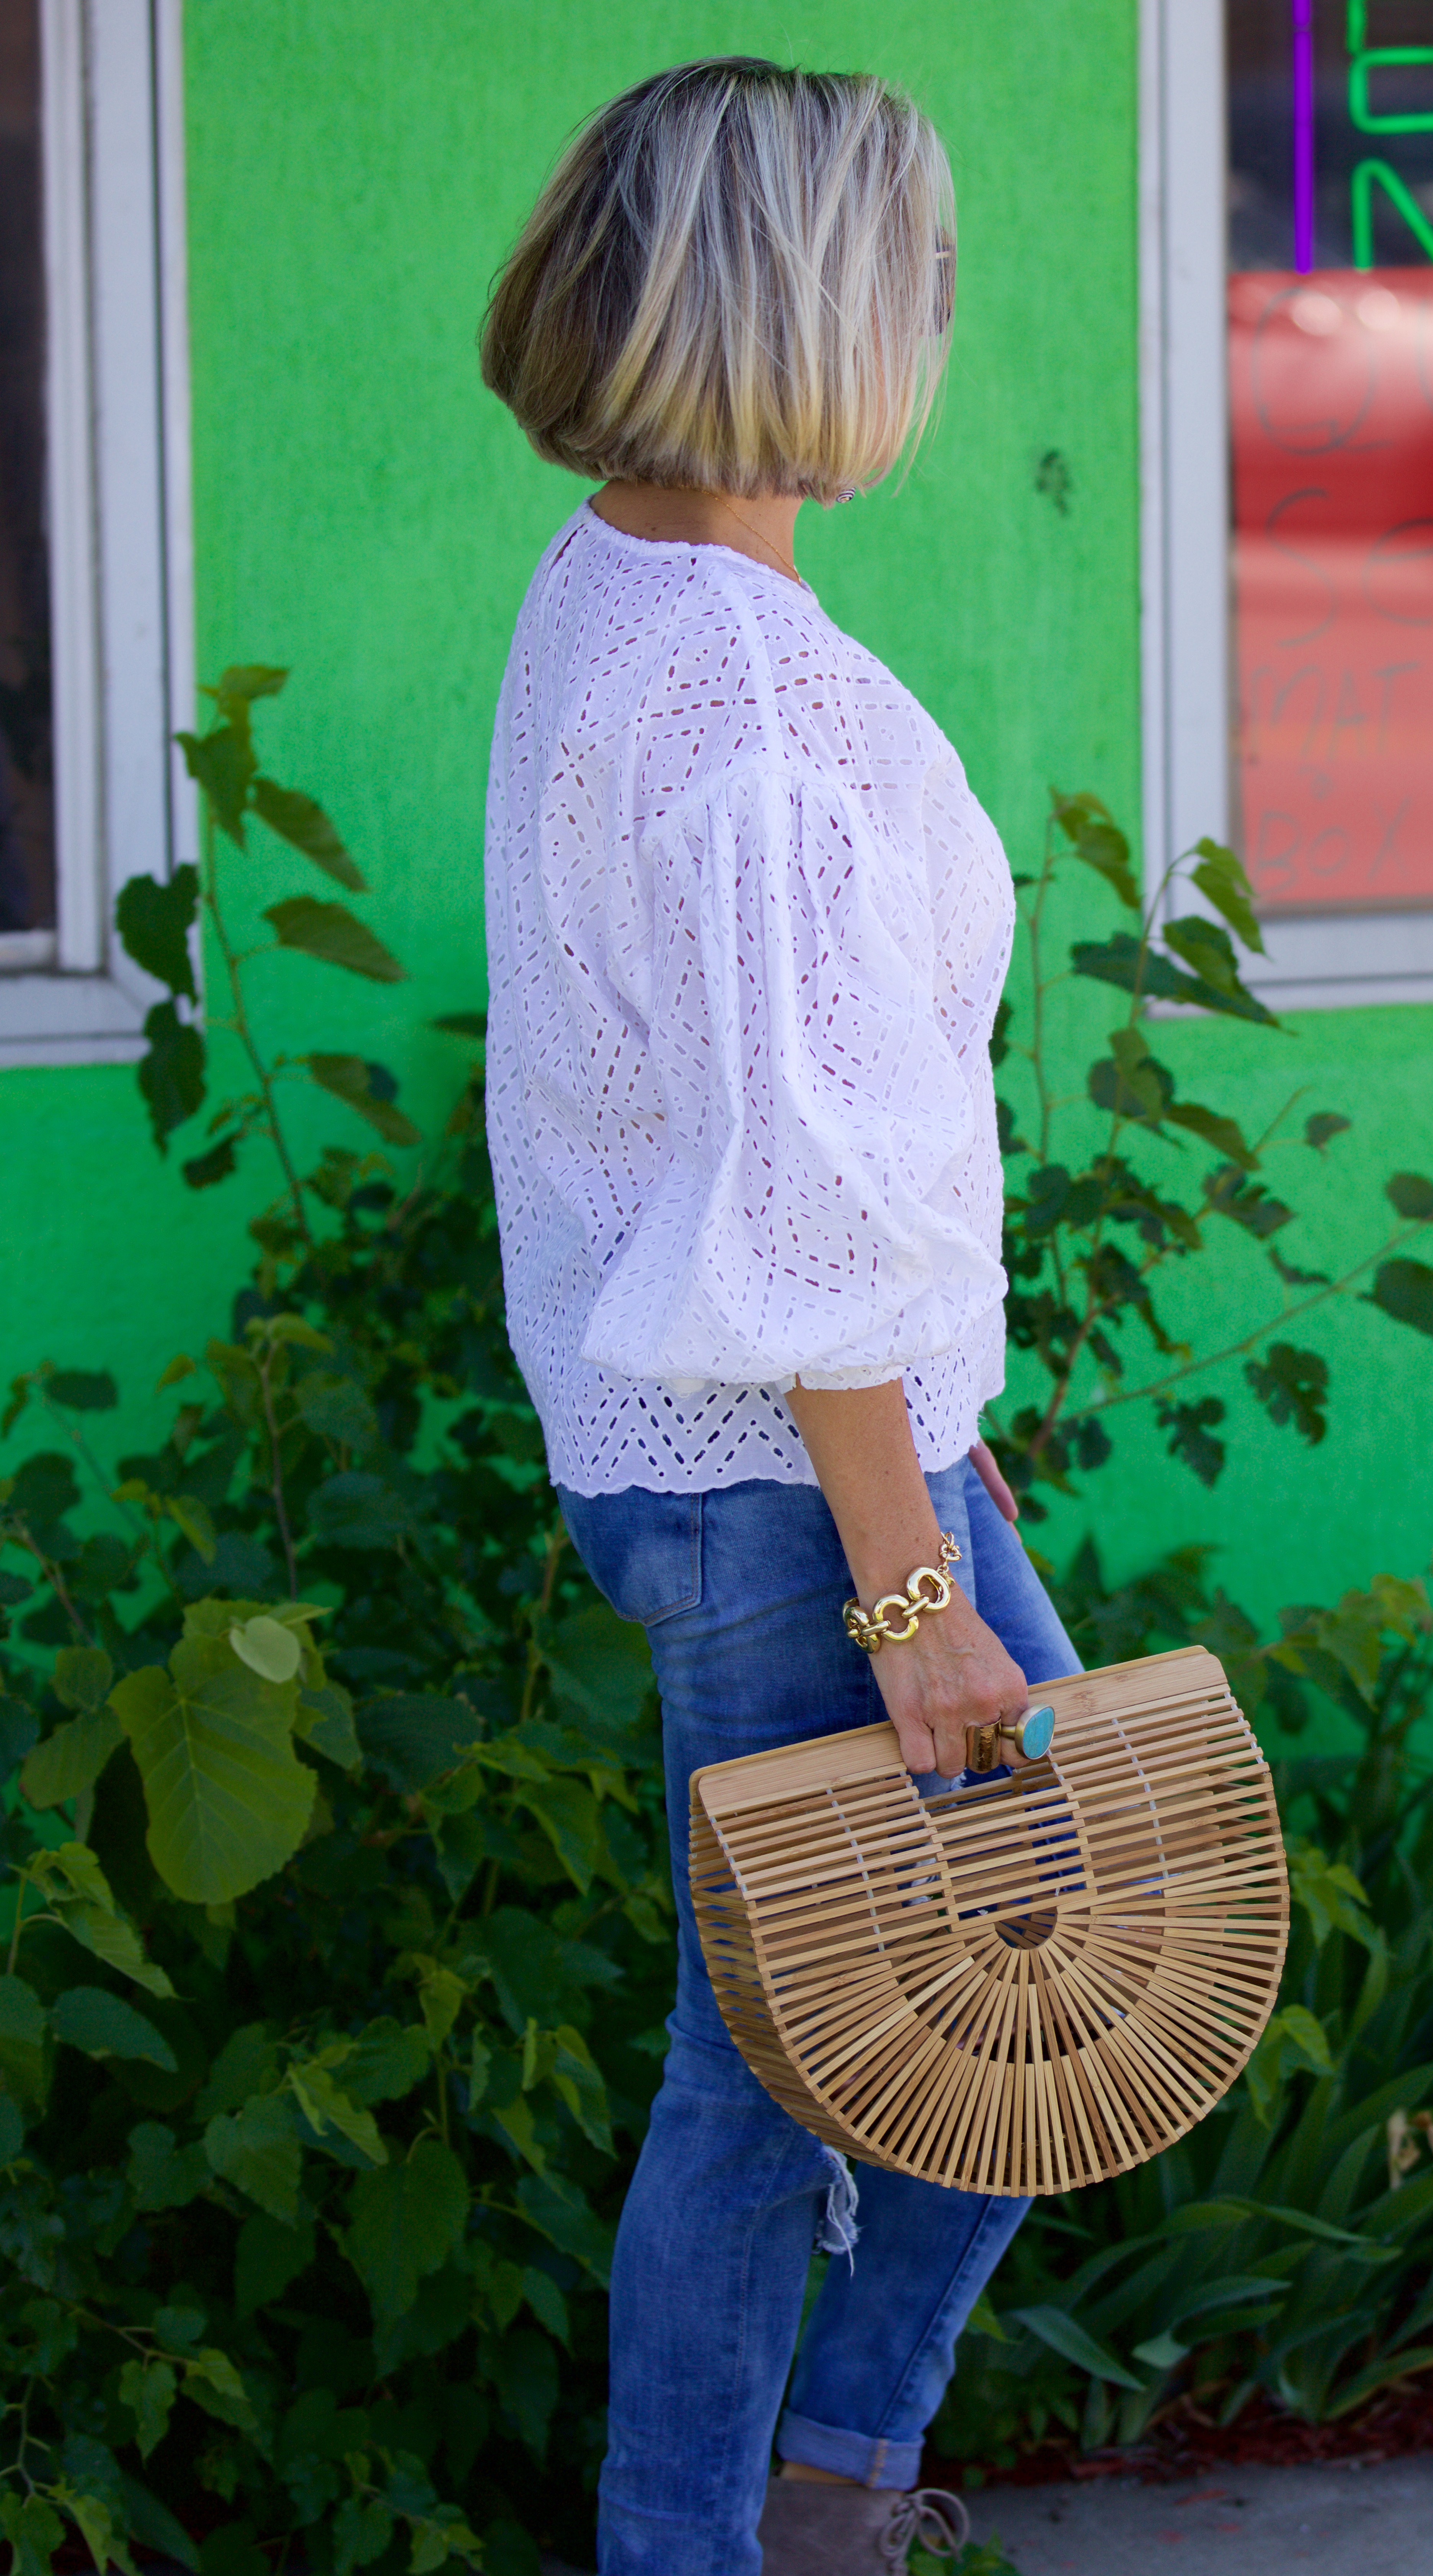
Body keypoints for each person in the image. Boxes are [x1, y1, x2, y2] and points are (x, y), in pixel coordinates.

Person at [479, 58, 1078, 2576]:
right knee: (792, 2071)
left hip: (797, 1455)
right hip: (785, 1483)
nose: (939, 311)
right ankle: (730, 2538)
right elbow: (799, 1196)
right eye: (917, 267)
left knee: (1042, 1967)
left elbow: (786, 1133)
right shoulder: (744, 697)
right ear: (813, 306)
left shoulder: (620, 588)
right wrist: (910, 1585)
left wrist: (949, 1446)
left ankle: (823, 2495)